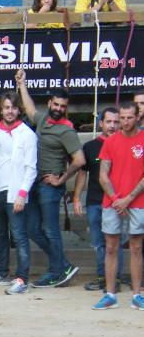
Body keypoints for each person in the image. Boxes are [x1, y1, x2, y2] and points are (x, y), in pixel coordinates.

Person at [16, 71, 83, 288]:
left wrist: (62, 178)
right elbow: (29, 108)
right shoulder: (44, 119)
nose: (59, 108)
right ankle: (63, 265)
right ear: (50, 103)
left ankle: (56, 271)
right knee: (33, 229)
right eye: (56, 104)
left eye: (63, 106)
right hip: (36, 184)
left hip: (50, 188)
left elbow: (80, 160)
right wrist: (22, 84)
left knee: (51, 231)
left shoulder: (67, 130)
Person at [0, 91, 37, 295]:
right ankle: (2, 272)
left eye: (13, 107)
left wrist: (22, 194)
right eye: (6, 107)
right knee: (0, 235)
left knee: (19, 236)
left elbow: (31, 168)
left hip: (15, 194)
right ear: (0, 110)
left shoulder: (27, 134)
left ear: (19, 109)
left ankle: (22, 278)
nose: (9, 111)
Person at [94, 103, 143, 311]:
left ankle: (137, 295)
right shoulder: (111, 142)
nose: (124, 122)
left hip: (138, 200)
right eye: (122, 118)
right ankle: (110, 294)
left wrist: (128, 198)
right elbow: (103, 174)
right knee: (111, 247)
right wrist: (116, 198)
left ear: (138, 117)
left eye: (129, 117)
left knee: (136, 247)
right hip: (112, 201)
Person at [74, 108, 122, 292]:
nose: (112, 125)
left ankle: (115, 279)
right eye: (108, 121)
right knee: (98, 242)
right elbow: (82, 174)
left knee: (114, 242)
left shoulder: (123, 145)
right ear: (100, 123)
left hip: (116, 202)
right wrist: (77, 197)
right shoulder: (90, 146)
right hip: (94, 201)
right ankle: (102, 276)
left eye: (116, 122)